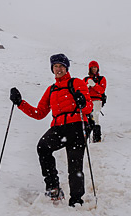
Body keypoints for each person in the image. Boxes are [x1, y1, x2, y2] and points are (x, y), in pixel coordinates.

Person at [10, 54, 93, 206]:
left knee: (75, 165)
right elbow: (39, 113)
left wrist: (82, 102)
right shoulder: (51, 90)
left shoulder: (77, 83)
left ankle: (76, 200)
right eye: (55, 66)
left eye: (61, 66)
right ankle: (53, 187)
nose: (58, 69)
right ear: (52, 69)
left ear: (66, 67)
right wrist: (20, 103)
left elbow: (88, 107)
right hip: (58, 128)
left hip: (76, 125)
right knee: (43, 147)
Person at [84, 60, 107, 142]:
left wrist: (93, 85)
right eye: (92, 67)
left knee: (95, 117)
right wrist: (87, 87)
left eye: (95, 67)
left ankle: (97, 138)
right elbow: (83, 91)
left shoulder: (101, 78)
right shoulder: (86, 79)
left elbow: (101, 90)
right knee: (88, 118)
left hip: (97, 100)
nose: (94, 69)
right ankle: (88, 137)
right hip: (88, 101)